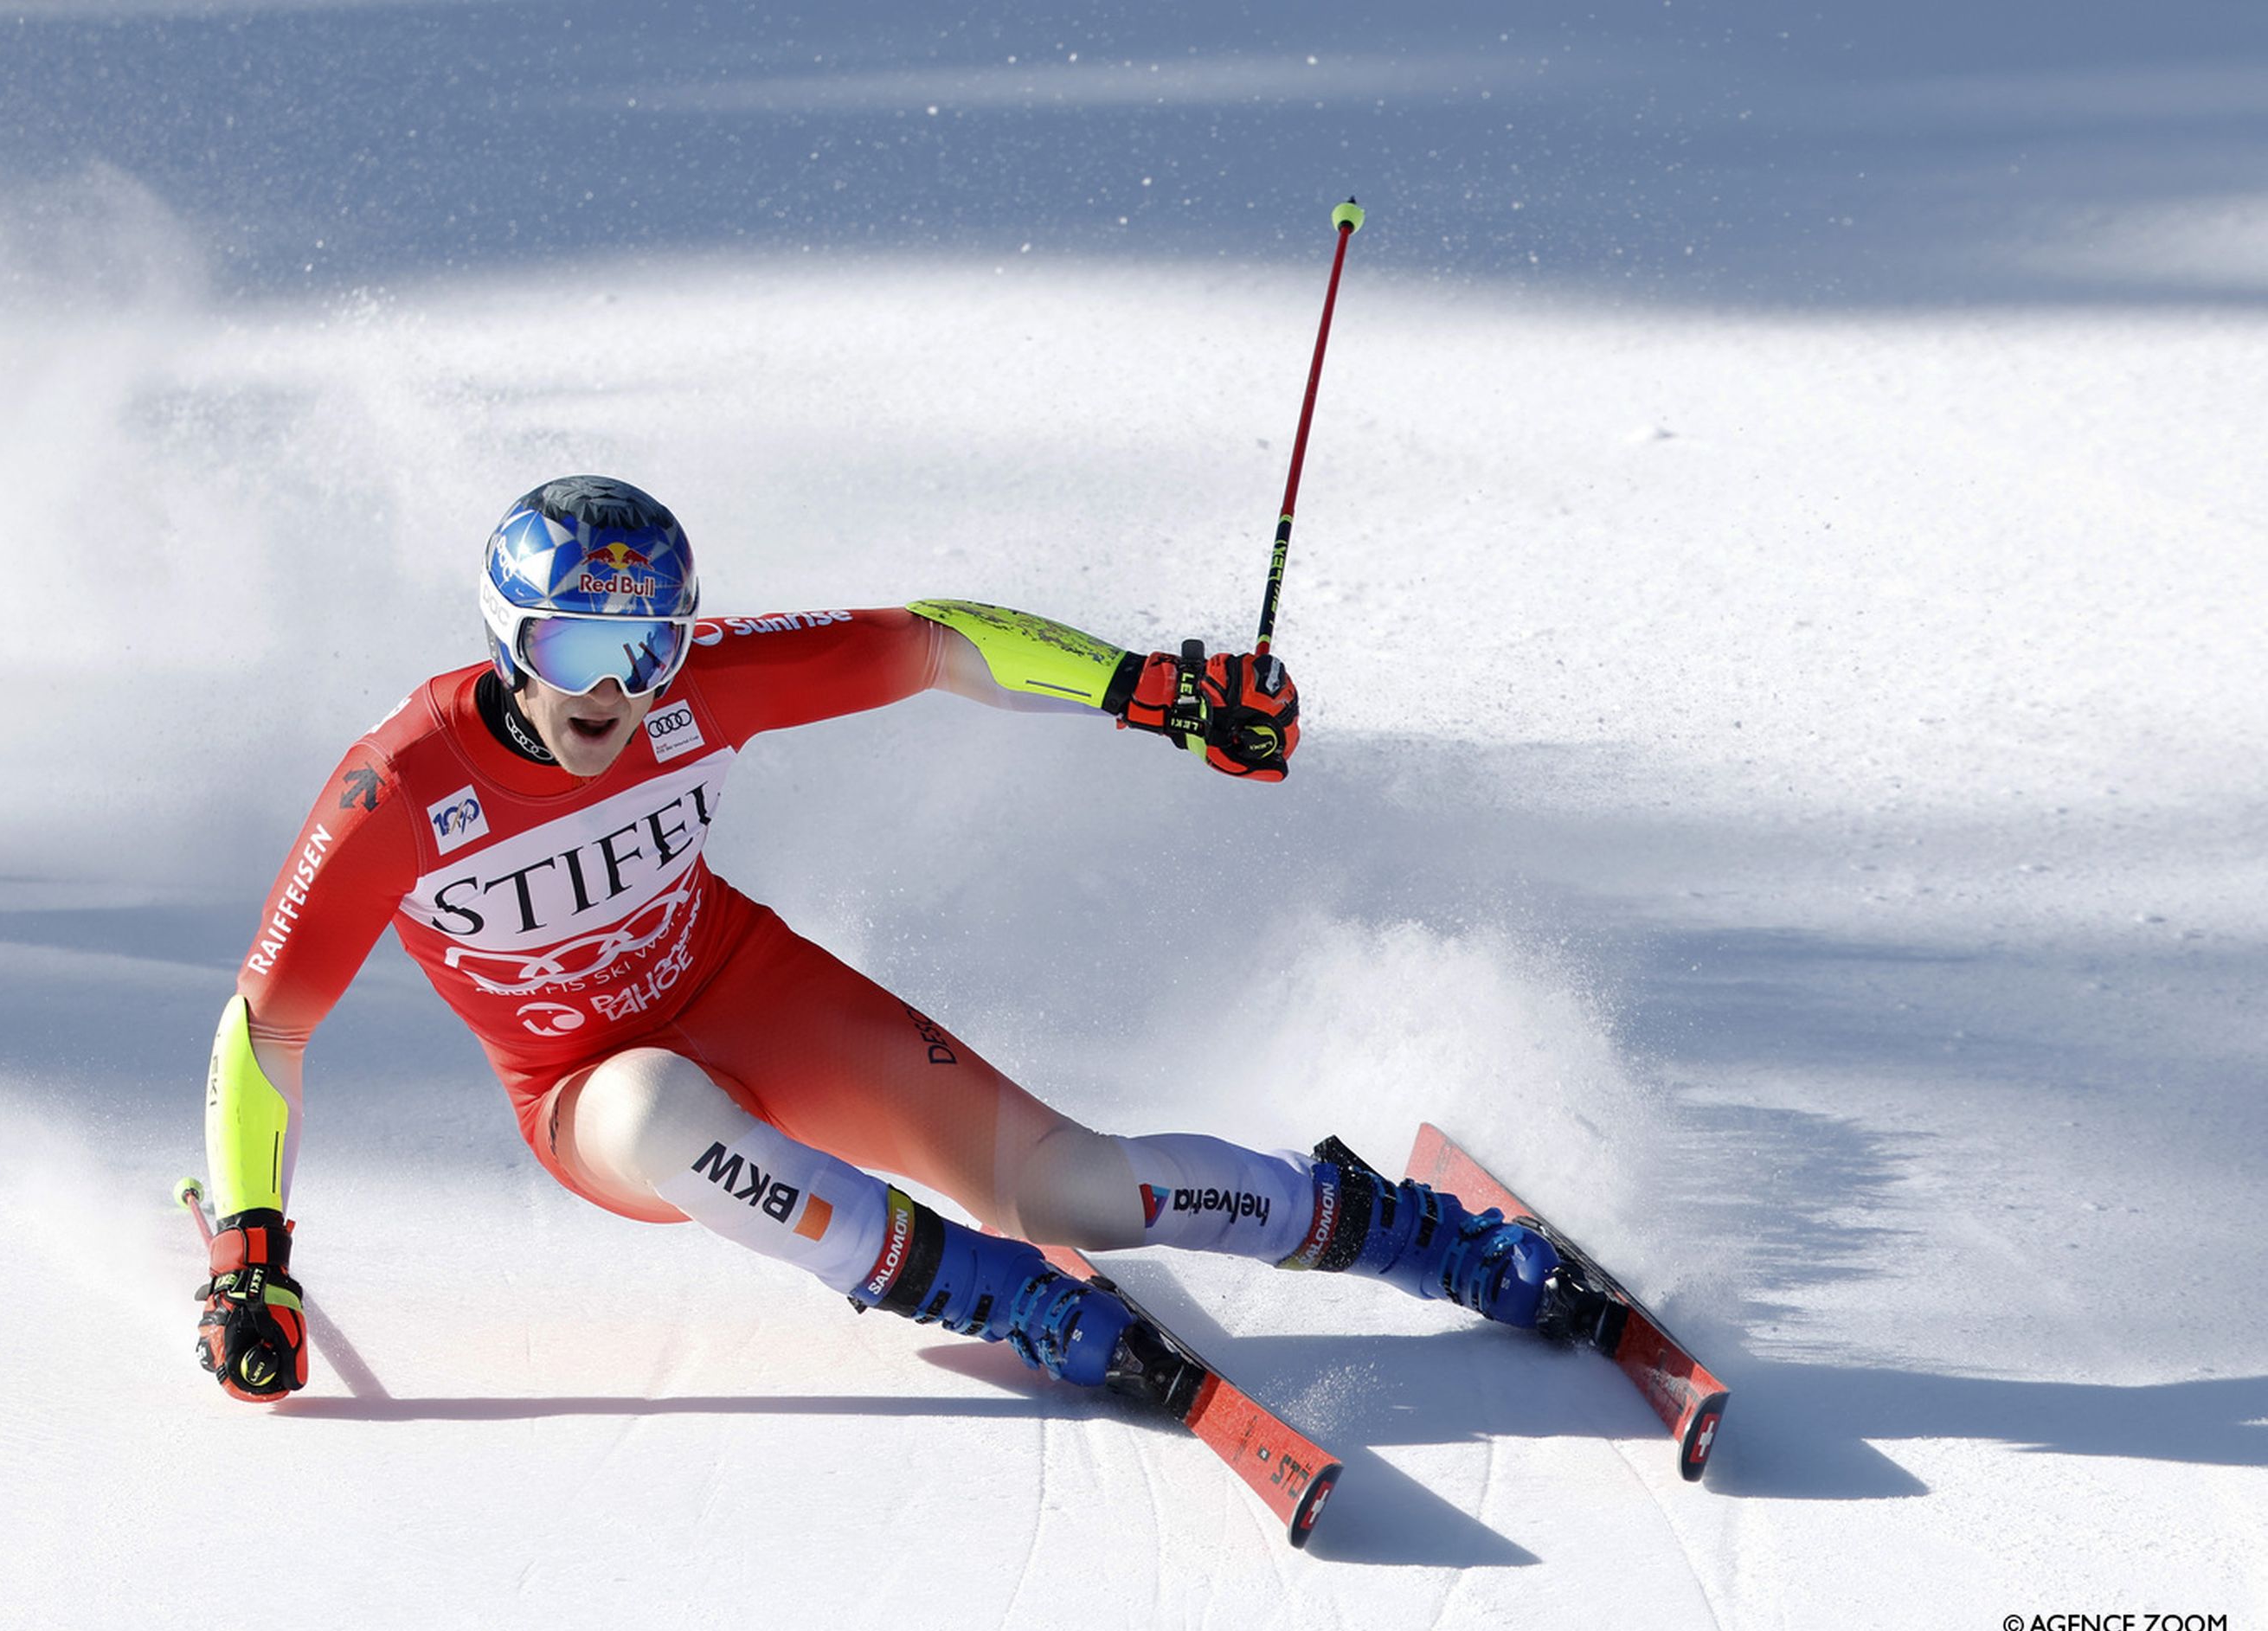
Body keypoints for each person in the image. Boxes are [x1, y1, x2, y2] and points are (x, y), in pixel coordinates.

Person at [195, 475, 1575, 1405]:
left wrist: (1152, 691)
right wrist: (250, 1252)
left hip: (751, 988)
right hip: (585, 1096)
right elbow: (267, 1031)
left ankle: (1402, 1234)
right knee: (665, 1104)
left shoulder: (703, 692)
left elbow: (929, 642)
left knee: (1074, 1187)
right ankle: (994, 1297)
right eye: (571, 652)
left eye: (648, 651)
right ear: (508, 644)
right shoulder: (397, 793)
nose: (614, 693)